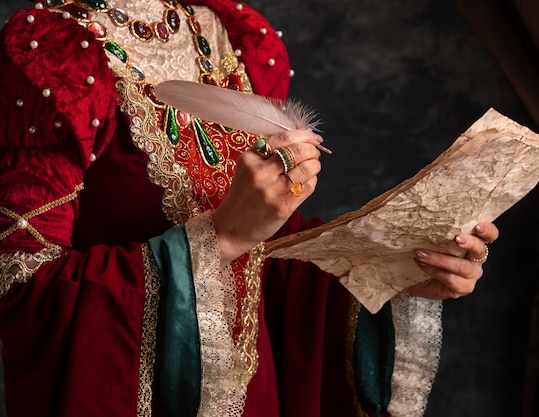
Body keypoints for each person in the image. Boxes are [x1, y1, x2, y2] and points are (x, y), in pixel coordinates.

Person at [0, 1, 499, 416]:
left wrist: (387, 269)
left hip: (259, 395)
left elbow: (270, 261)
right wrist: (217, 240)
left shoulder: (239, 38)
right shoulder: (54, 57)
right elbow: (18, 284)